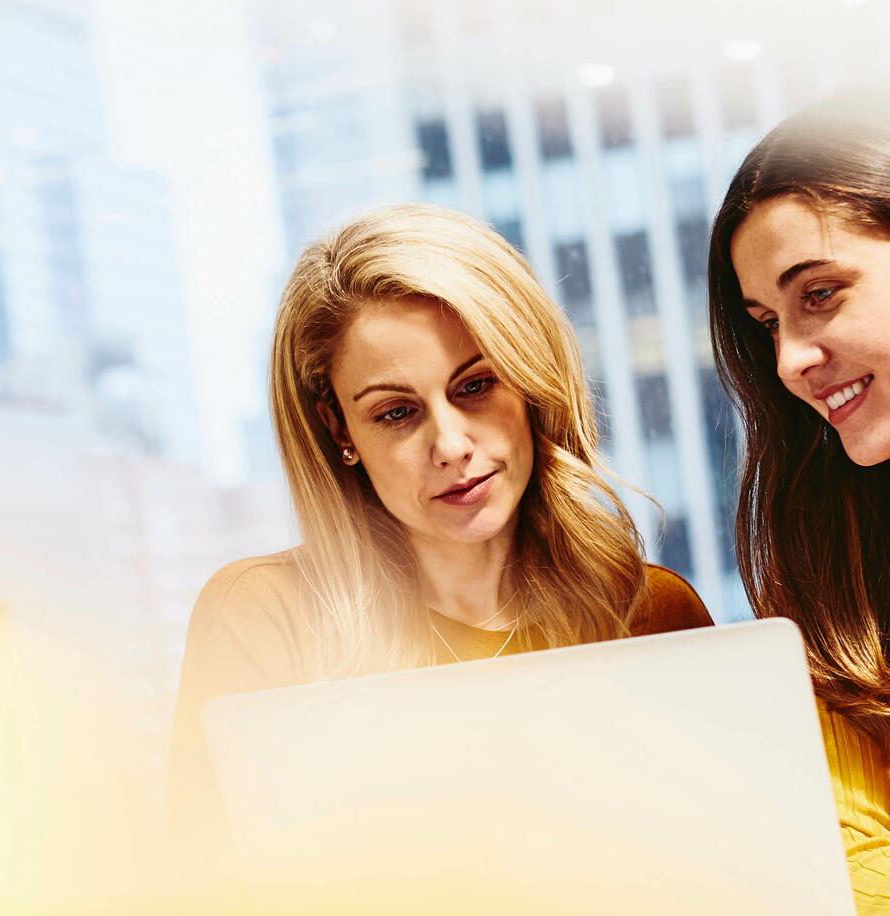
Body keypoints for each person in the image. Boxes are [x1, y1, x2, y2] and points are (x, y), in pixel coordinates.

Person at [170, 203, 712, 876]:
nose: (451, 446)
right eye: (395, 413)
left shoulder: (650, 613)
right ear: (341, 431)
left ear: (530, 388)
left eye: (476, 386)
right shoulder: (266, 616)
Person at [708, 93, 890, 914]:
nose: (788, 360)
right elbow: (859, 865)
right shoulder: (831, 564)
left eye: (818, 293)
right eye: (766, 321)